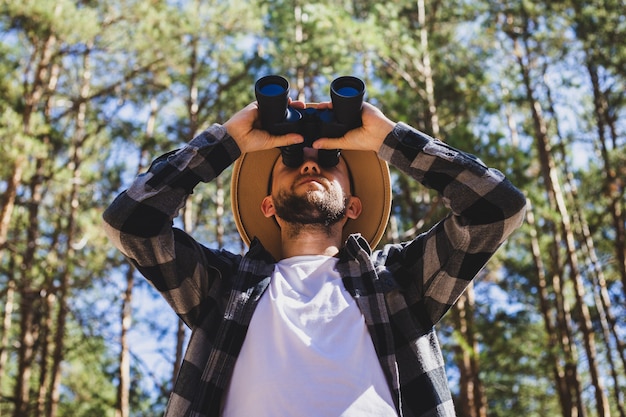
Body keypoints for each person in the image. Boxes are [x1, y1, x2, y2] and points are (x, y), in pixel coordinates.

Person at [103, 95, 526, 417]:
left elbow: (497, 209)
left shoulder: (397, 282)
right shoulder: (224, 287)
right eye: (290, 162)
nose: (309, 166)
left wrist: (388, 137)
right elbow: (130, 222)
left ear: (353, 206)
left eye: (328, 161)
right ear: (268, 204)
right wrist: (227, 142)